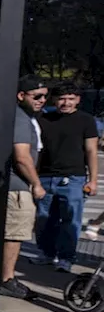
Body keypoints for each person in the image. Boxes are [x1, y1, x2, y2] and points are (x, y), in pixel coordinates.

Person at [32, 82, 99, 272]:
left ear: (78, 100)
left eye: (71, 98)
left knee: (70, 220)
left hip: (73, 178)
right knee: (43, 219)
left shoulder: (86, 120)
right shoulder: (43, 118)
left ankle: (66, 258)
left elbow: (91, 150)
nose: (66, 102)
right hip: (44, 176)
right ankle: (46, 254)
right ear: (54, 99)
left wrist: (92, 180)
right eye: (62, 98)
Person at [2, 76, 48, 299]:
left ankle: (6, 277)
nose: (42, 100)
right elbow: (21, 157)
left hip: (18, 186)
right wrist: (36, 184)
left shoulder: (28, 118)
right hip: (18, 187)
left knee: (16, 234)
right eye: (36, 96)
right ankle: (6, 279)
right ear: (21, 96)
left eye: (45, 96)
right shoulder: (20, 119)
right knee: (14, 235)